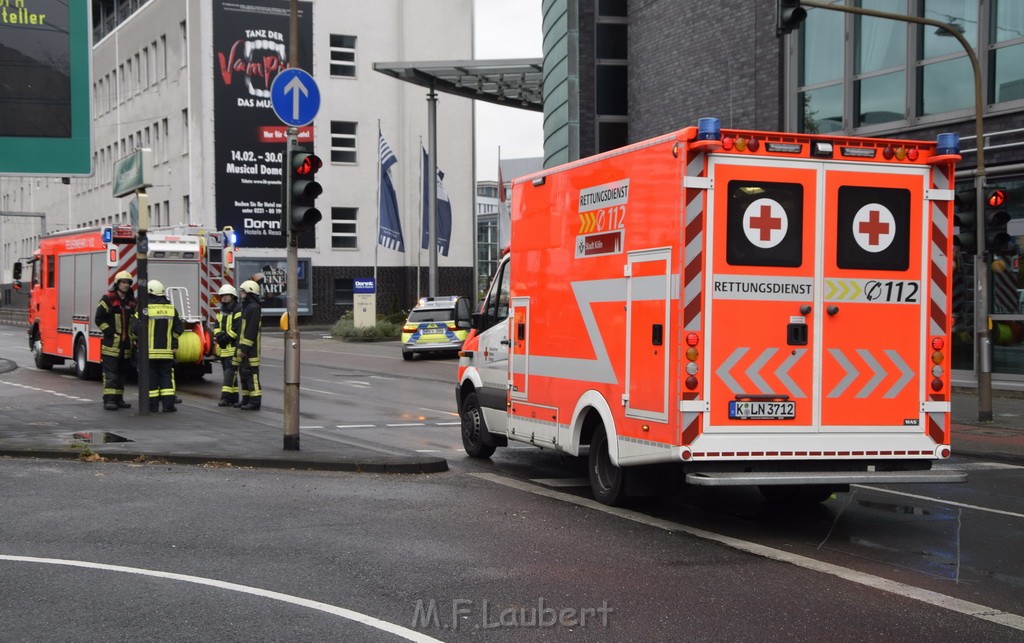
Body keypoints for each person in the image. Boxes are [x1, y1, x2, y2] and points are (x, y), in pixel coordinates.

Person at [131, 279, 184, 413]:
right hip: (166, 352)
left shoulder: (144, 309)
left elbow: (134, 329)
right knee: (167, 379)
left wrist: (137, 340)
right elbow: (179, 328)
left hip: (148, 352)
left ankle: (152, 406)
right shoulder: (171, 309)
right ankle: (168, 406)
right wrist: (172, 340)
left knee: (152, 379)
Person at [95, 270, 137, 410]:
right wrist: (110, 332)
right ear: (117, 284)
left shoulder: (132, 301)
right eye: (123, 282)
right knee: (111, 374)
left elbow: (135, 321)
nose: (125, 285)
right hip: (111, 344)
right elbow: (99, 319)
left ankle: (119, 399)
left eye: (128, 283)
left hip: (126, 346)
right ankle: (109, 400)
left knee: (121, 374)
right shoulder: (108, 299)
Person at [234, 279, 262, 411]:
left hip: (251, 350)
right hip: (244, 348)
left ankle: (255, 401)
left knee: (252, 376)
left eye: (243, 291)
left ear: (249, 292)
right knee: (244, 374)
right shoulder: (246, 307)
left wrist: (244, 348)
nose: (241, 293)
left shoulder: (254, 308)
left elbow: (251, 331)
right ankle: (245, 400)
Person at [213, 283, 242, 407]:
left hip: (233, 348)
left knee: (229, 374)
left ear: (233, 296)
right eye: (222, 296)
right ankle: (234, 398)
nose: (224, 298)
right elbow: (216, 326)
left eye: (226, 295)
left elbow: (237, 328)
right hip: (224, 349)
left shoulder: (238, 310)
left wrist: (226, 337)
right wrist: (219, 336)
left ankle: (225, 398)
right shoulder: (221, 311)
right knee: (228, 374)